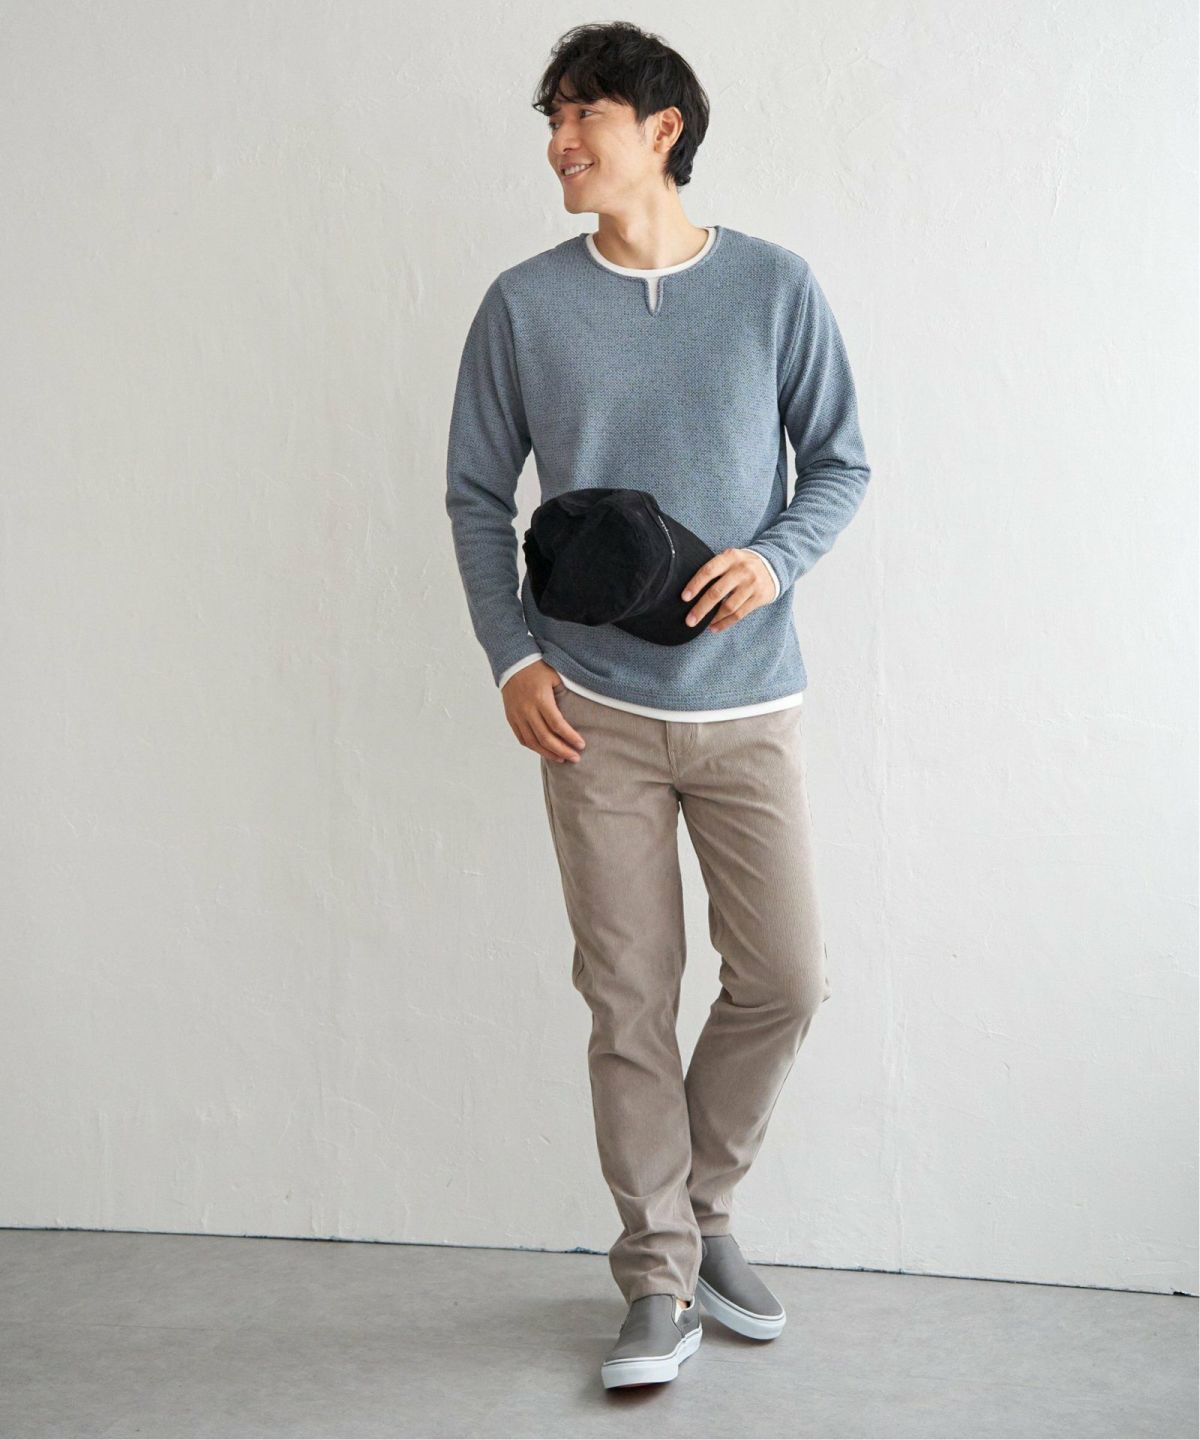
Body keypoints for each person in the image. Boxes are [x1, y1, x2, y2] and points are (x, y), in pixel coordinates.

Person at [444, 20, 871, 1390]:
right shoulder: (523, 306)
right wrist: (511, 657)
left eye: (582, 116)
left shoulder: (773, 289)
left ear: (662, 128)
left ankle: (703, 1208)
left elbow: (842, 464)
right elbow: (475, 494)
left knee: (787, 979)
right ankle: (657, 1278)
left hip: (750, 706)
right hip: (593, 709)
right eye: (551, 122)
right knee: (627, 998)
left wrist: (775, 558)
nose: (558, 145)